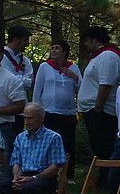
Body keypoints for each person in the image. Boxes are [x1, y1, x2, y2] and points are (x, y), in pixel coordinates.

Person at [32, 40, 81, 176]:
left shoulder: (73, 67)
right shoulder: (45, 66)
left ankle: (68, 173)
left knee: (68, 144)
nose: (53, 51)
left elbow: (81, 89)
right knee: (48, 142)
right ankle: (47, 172)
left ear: (64, 51)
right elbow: (37, 89)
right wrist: (35, 109)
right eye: (52, 48)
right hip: (49, 112)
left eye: (57, 48)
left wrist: (75, 77)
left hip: (68, 113)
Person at [77, 25, 120, 160]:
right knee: (97, 148)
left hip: (102, 112)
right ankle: (101, 177)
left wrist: (98, 107)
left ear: (94, 40)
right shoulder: (98, 57)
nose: (85, 45)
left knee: (103, 148)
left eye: (87, 41)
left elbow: (106, 83)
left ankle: (106, 178)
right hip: (92, 110)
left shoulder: (108, 56)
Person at [2, 25, 36, 98]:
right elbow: (5, 81)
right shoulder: (0, 58)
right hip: (5, 102)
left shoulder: (25, 61)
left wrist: (14, 79)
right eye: (25, 40)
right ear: (16, 40)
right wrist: (23, 79)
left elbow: (29, 83)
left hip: (22, 102)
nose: (28, 44)